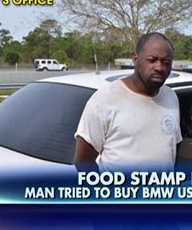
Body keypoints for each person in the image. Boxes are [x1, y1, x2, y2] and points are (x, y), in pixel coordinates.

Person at [74, 32, 182, 172]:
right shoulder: (105, 100)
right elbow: (83, 163)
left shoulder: (171, 97)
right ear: (136, 59)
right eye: (152, 60)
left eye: (166, 62)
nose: (159, 67)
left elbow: (172, 148)